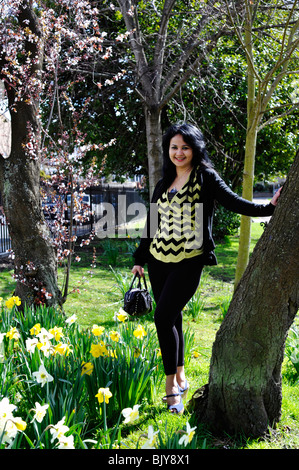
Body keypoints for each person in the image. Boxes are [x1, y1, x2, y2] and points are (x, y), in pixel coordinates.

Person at [131, 122, 281, 414]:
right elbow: (152, 222)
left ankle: (171, 387)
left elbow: (234, 202)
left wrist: (269, 208)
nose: (178, 153)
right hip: (157, 261)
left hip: (189, 261)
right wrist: (139, 258)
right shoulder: (165, 181)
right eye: (174, 147)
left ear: (194, 148)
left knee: (162, 318)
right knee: (172, 319)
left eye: (184, 147)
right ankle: (182, 374)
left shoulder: (205, 177)